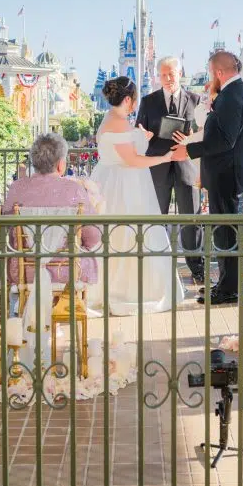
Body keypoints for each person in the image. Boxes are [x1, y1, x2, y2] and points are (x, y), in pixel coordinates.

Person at [90, 76, 184, 315]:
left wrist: (141, 137)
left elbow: (126, 149)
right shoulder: (118, 122)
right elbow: (132, 160)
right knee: (128, 234)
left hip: (113, 179)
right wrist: (164, 158)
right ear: (129, 99)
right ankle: (126, 290)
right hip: (124, 184)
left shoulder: (113, 118)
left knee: (118, 235)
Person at [171, 50, 243, 305]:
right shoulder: (241, 91)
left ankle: (229, 289)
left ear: (219, 72)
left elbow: (224, 140)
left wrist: (188, 150)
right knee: (224, 232)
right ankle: (225, 283)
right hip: (227, 173)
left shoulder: (231, 96)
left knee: (225, 234)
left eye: (211, 72)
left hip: (225, 175)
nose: (211, 77)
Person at [136, 56, 205, 285]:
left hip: (186, 168)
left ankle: (197, 269)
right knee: (157, 219)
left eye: (171, 74)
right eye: (163, 74)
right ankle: (155, 269)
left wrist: (189, 138)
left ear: (180, 73)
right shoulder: (148, 102)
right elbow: (138, 134)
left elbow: (204, 135)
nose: (167, 79)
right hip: (157, 168)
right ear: (158, 76)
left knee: (191, 219)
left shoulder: (195, 100)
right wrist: (143, 137)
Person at [3, 133, 101, 290]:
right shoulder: (74, 190)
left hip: (24, 270)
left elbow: (6, 231)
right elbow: (94, 236)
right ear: (61, 164)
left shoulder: (17, 189)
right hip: (68, 269)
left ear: (34, 162)